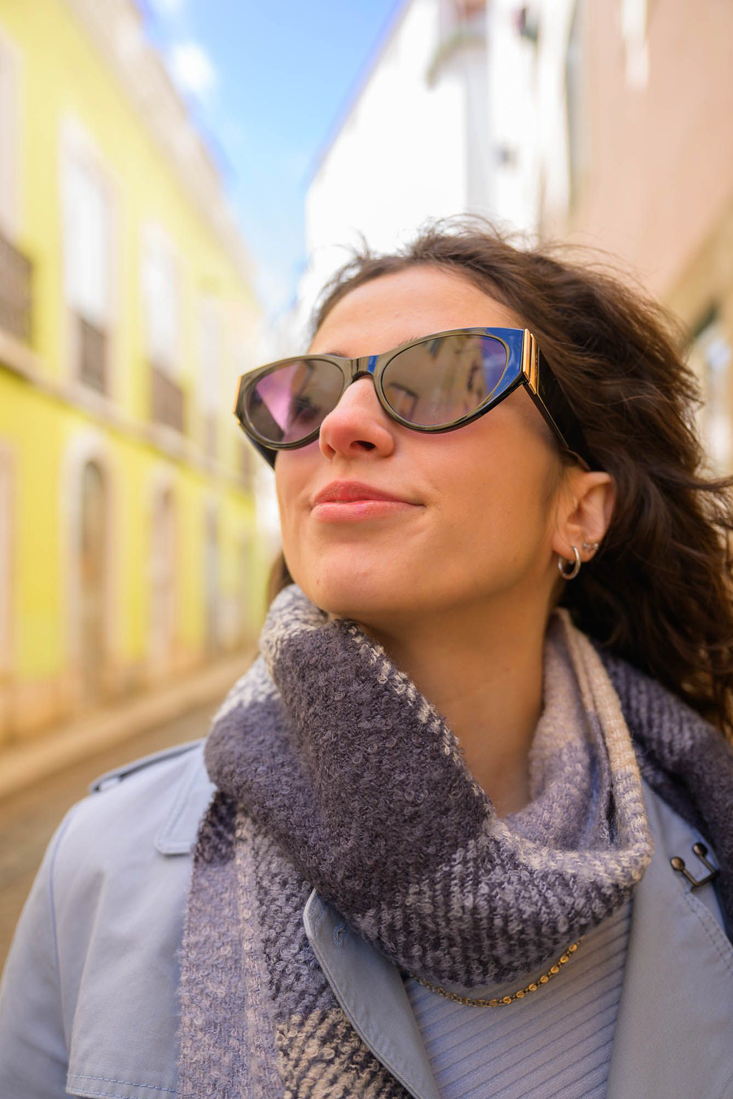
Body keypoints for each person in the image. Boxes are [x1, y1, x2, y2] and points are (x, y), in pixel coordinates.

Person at [1, 217, 732, 1099]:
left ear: (578, 510)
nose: (341, 425)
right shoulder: (100, 866)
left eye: (441, 375)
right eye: (305, 397)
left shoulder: (708, 839)